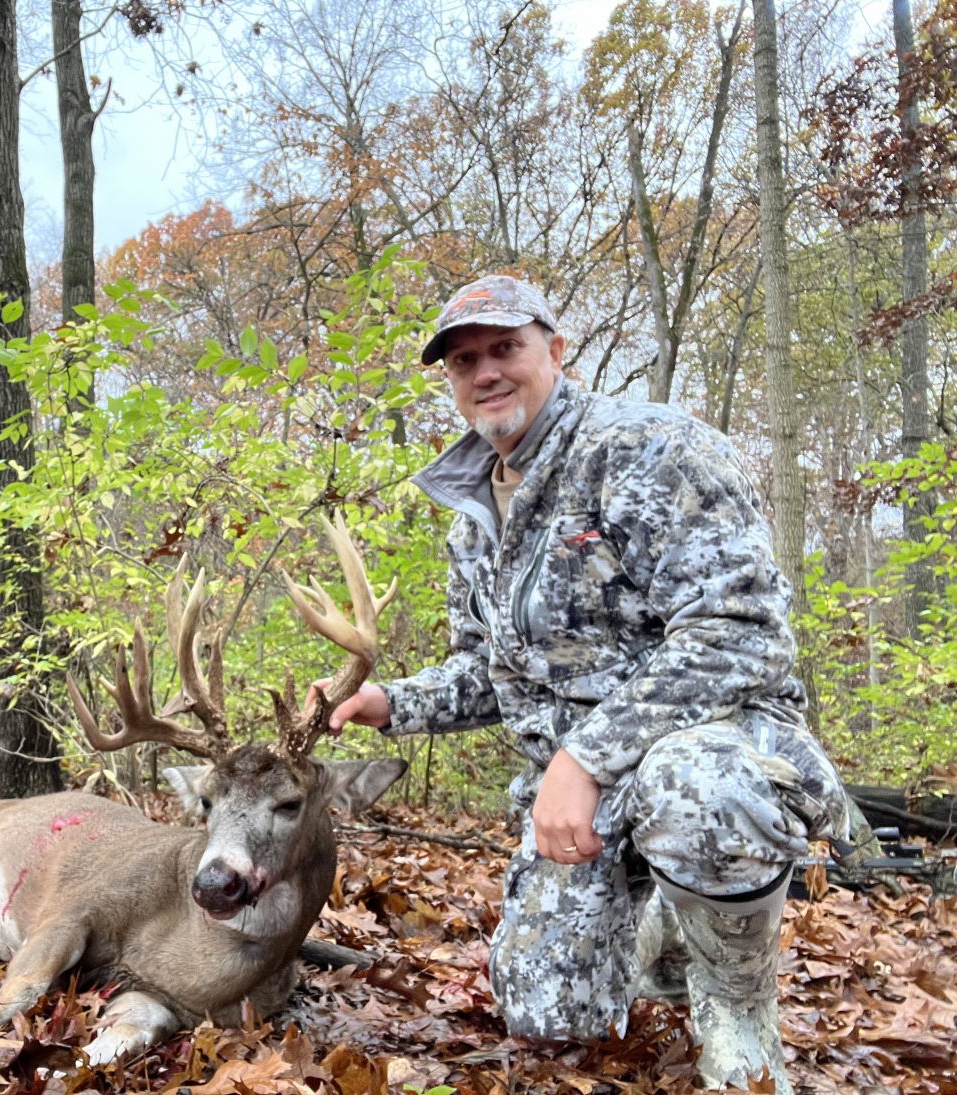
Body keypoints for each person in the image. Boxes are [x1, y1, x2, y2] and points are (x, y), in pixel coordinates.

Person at [320, 275, 848, 1094]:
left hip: (713, 746)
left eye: (506, 348)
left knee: (699, 790)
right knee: (546, 1018)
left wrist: (587, 757)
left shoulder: (652, 449)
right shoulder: (475, 515)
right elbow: (494, 671)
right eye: (465, 361)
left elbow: (741, 632)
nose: (486, 371)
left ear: (556, 350)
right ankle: (667, 923)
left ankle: (737, 1002)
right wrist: (392, 702)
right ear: (452, 383)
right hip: (577, 803)